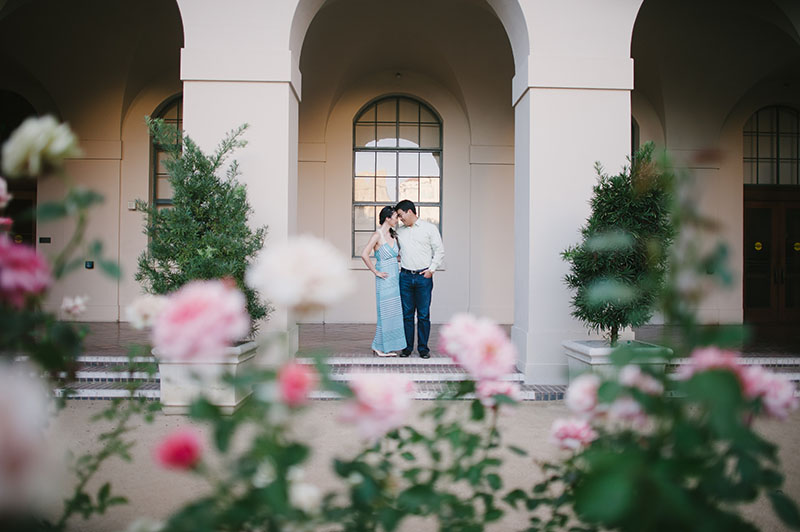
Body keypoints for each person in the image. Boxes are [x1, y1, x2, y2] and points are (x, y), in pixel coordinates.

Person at [394, 199, 444, 359]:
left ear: (409, 211)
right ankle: (407, 348)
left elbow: (439, 250)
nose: (400, 219)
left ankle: (423, 348)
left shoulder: (429, 228)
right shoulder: (399, 231)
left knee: (423, 315)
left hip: (423, 277)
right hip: (405, 277)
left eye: (401, 215)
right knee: (407, 314)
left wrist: (432, 269)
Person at [360, 205, 407, 357]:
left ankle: (382, 346)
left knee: (394, 313)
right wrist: (376, 271)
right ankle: (379, 346)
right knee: (385, 313)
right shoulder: (377, 235)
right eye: (395, 216)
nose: (397, 219)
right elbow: (364, 254)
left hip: (395, 277)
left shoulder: (394, 235)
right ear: (387, 218)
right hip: (385, 279)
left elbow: (396, 256)